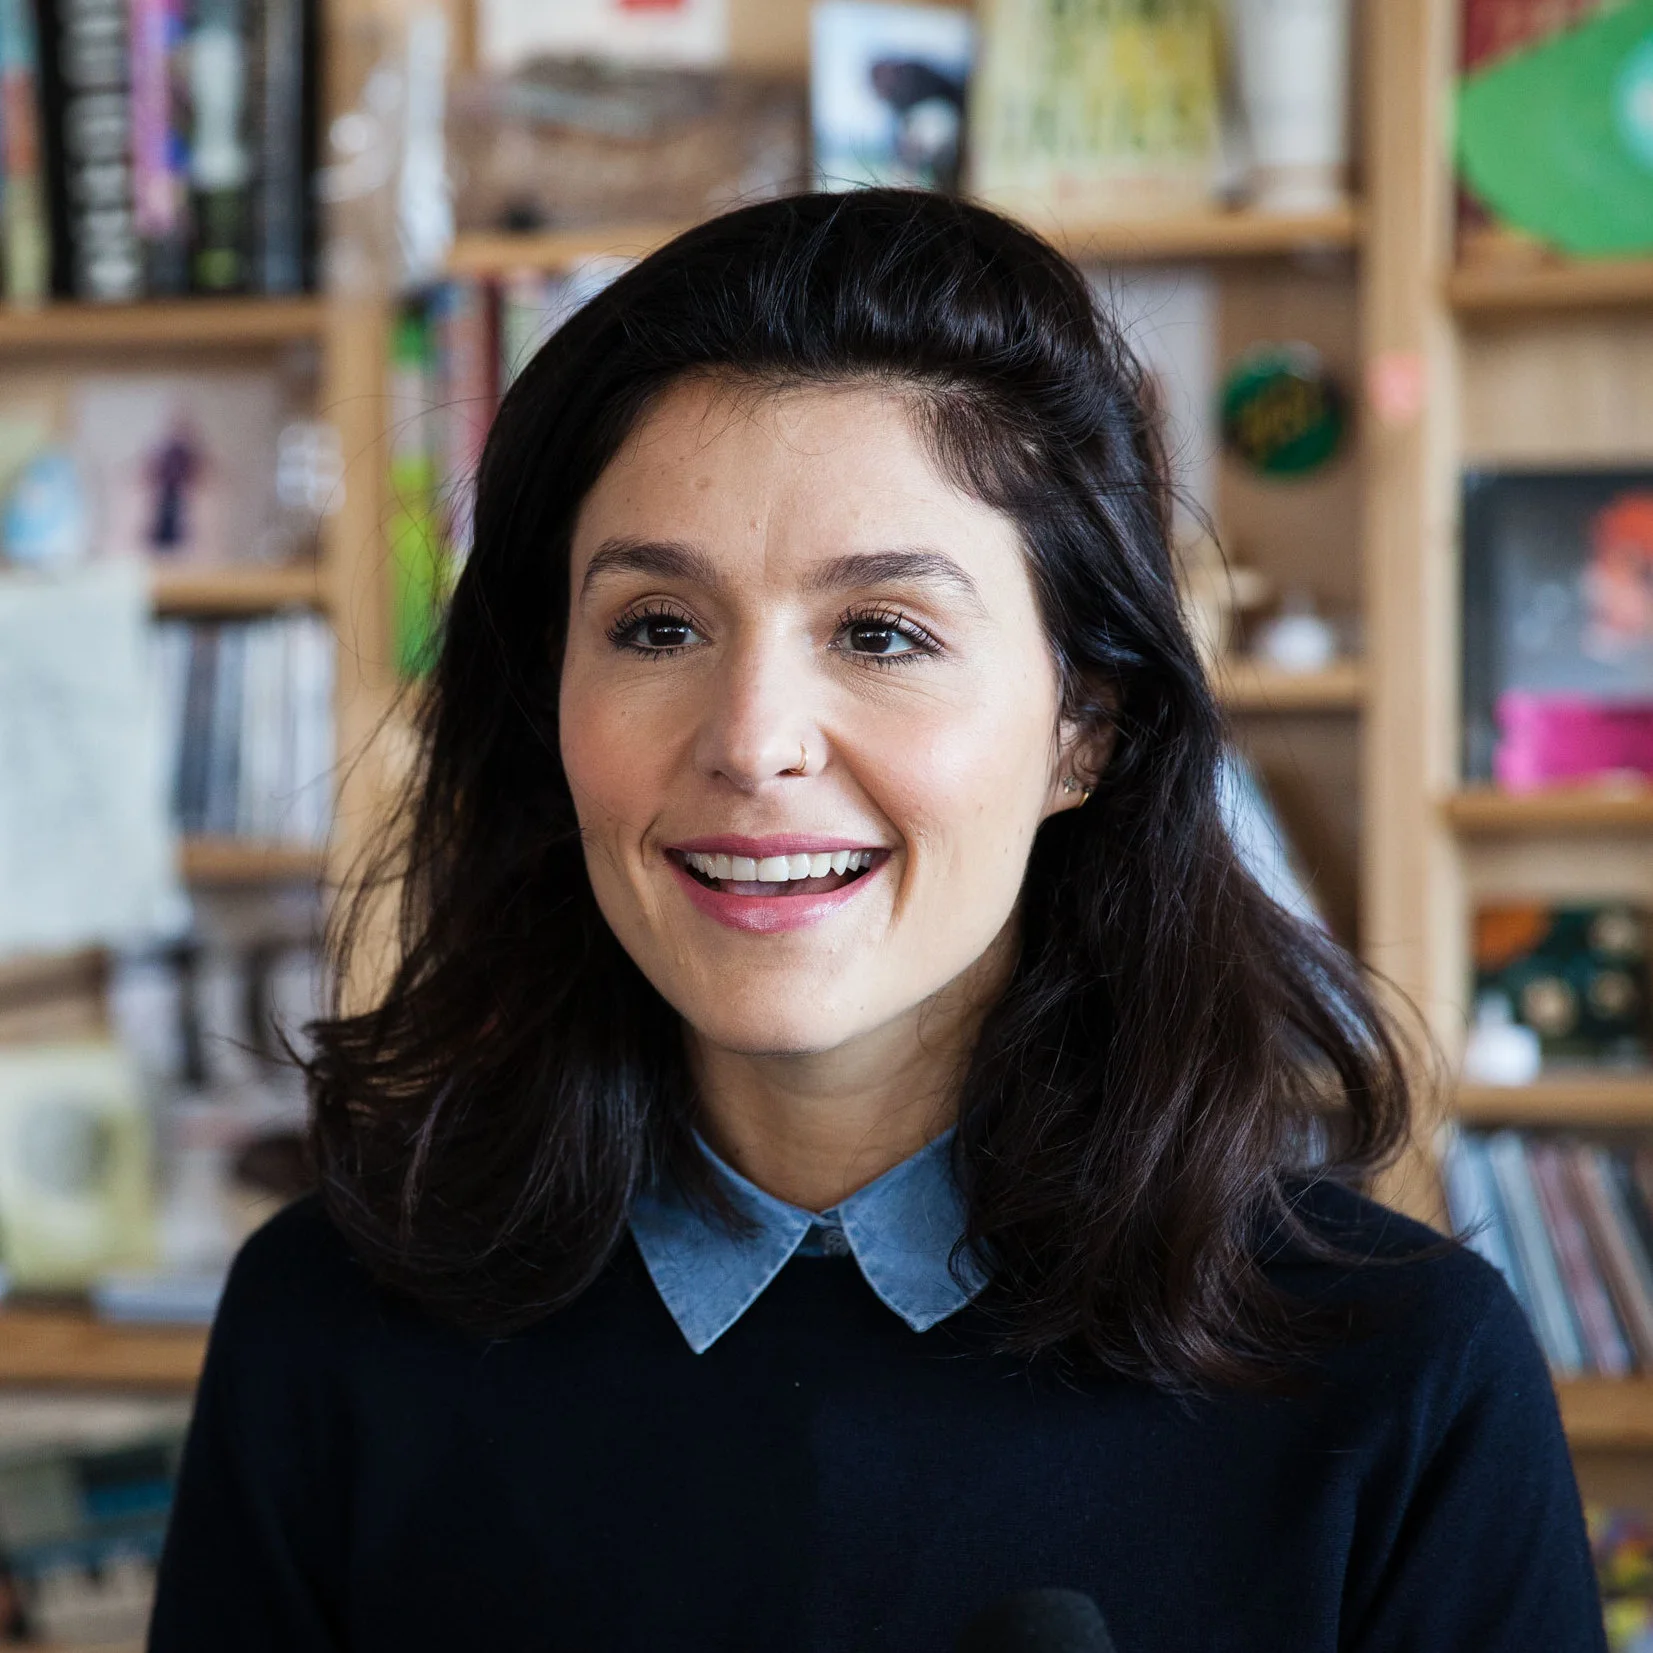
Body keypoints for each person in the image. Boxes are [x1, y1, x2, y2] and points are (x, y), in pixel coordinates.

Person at [148, 190, 1605, 1652]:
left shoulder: (1402, 1378)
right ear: (549, 704)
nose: (753, 740)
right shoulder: (327, 1330)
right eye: (658, 627)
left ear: (1084, 727)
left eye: (883, 634)